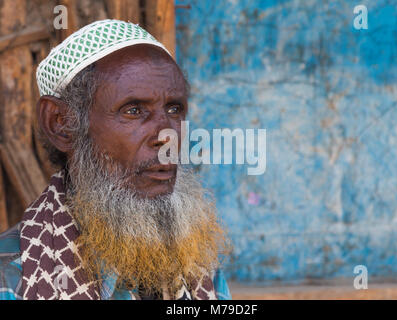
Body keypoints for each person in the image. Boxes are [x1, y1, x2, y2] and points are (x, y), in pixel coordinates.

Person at [0, 19, 231, 300]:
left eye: (174, 108)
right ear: (61, 124)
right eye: (133, 110)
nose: (167, 136)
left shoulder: (198, 265)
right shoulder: (12, 279)